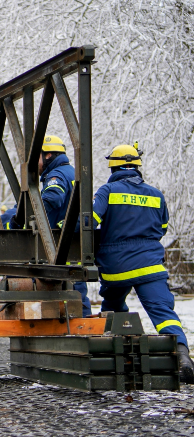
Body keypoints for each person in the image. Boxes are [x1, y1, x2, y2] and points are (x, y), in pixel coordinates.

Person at [92, 144, 194, 383]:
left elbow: (91, 222)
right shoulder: (156, 194)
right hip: (150, 265)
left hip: (116, 267)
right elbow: (163, 229)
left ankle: (119, 344)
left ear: (113, 167)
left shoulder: (107, 191)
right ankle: (182, 355)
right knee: (163, 312)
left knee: (113, 304)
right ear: (138, 167)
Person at [10, 135, 92, 316]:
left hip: (58, 243)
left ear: (48, 155)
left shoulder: (57, 175)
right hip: (73, 243)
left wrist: (32, 217)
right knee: (77, 291)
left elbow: (53, 198)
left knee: (64, 286)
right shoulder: (71, 172)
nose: (34, 164)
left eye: (36, 157)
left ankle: (76, 325)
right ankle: (82, 323)